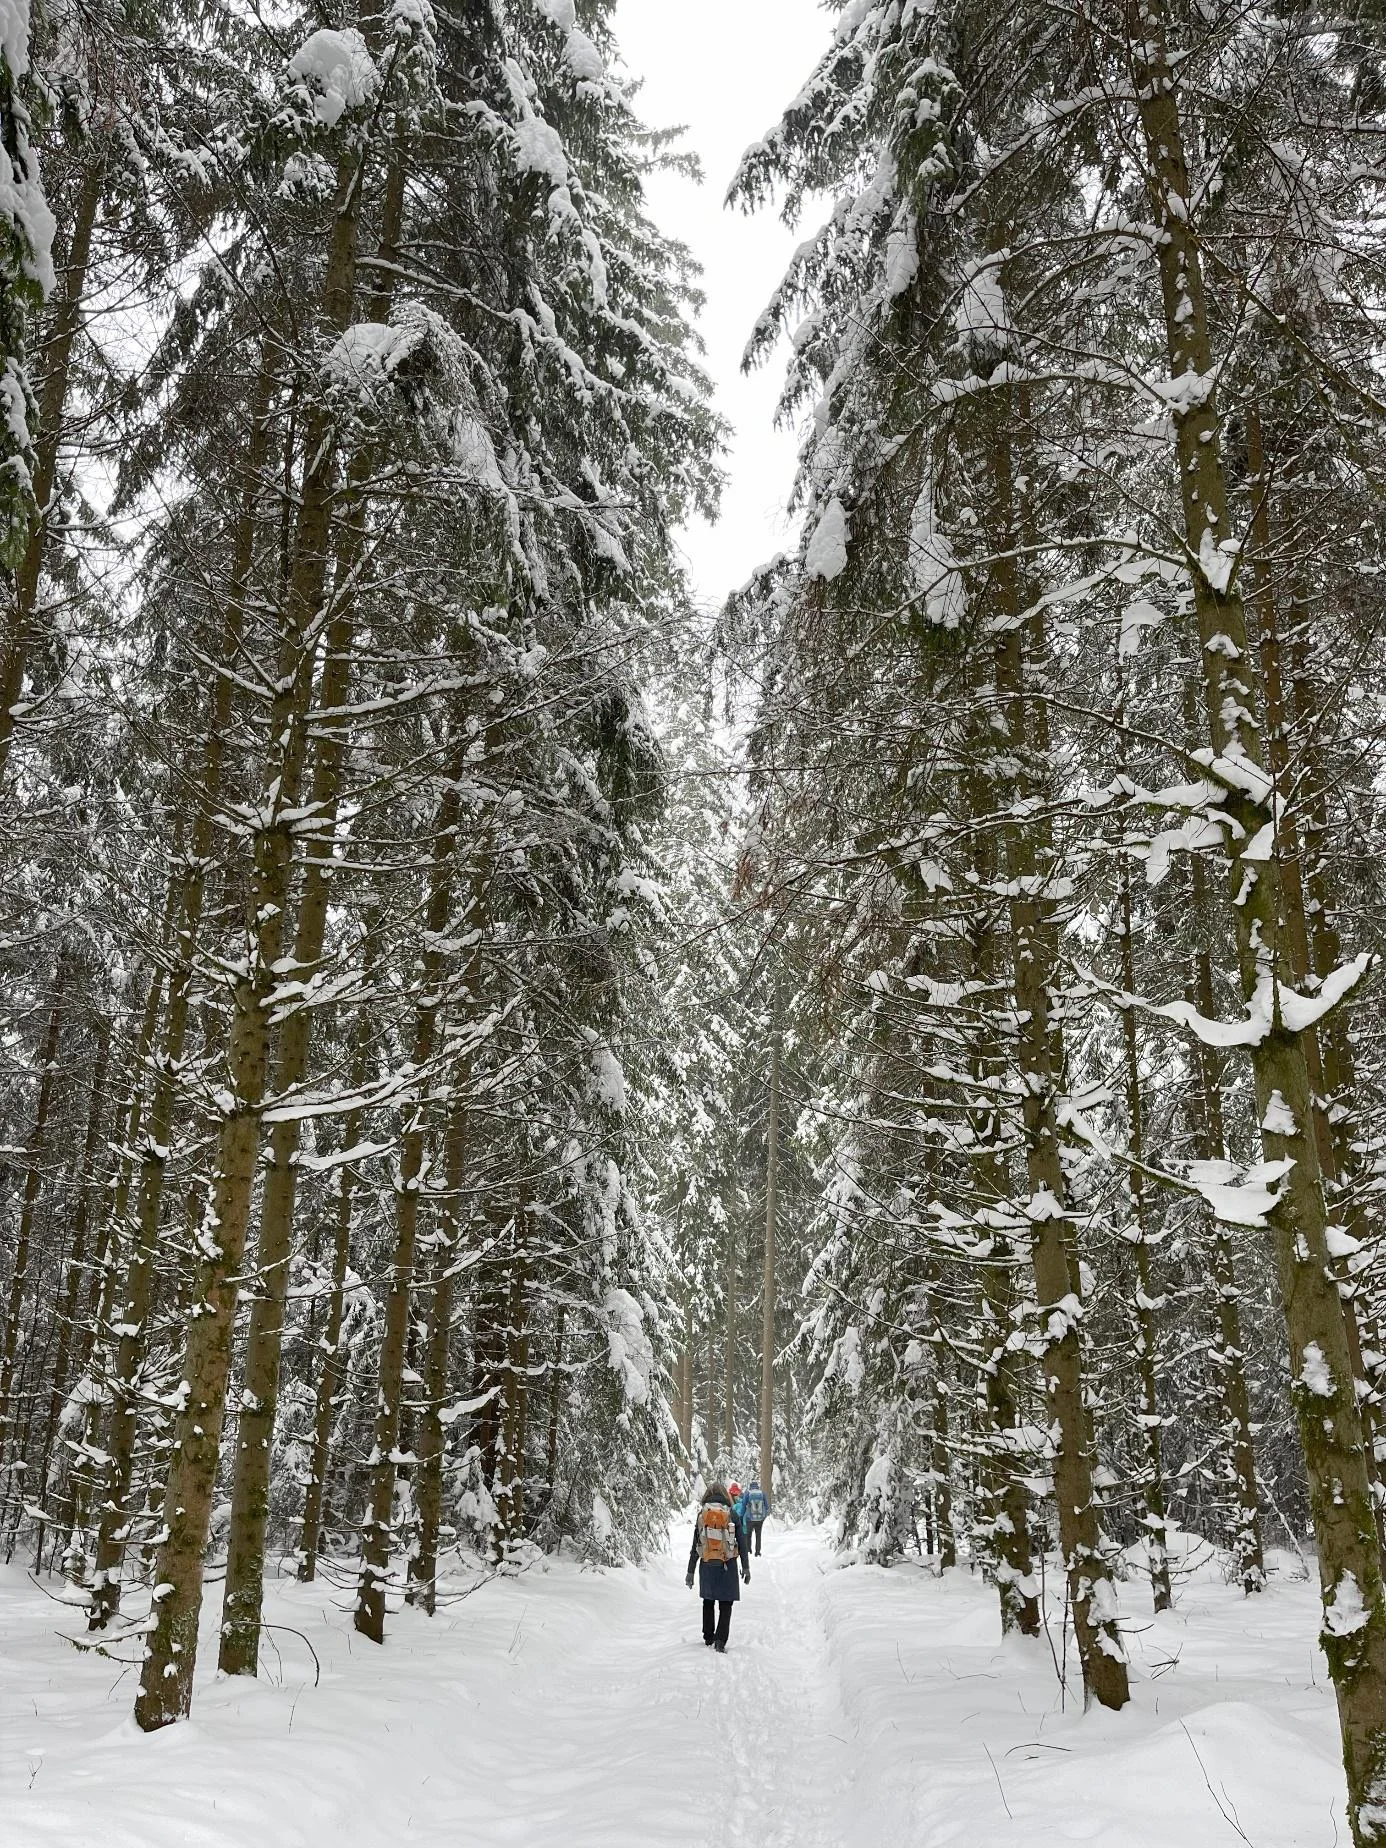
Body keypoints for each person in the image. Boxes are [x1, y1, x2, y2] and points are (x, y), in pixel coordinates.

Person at [685, 1480, 749, 1652]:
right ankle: (720, 1640)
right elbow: (742, 1542)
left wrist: (690, 1571)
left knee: (708, 1601)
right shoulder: (731, 1514)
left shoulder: (702, 1514)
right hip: (727, 1564)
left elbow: (695, 1545)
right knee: (726, 1603)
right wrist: (746, 1567)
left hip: (707, 1564)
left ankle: (708, 1637)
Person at [742, 1478, 770, 1556]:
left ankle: (748, 1550)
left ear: (750, 1486)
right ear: (757, 1486)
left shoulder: (748, 1493)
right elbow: (767, 1507)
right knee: (758, 1536)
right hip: (760, 1519)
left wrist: (741, 1516)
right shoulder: (762, 1493)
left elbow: (743, 1506)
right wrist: (764, 1516)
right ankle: (757, 1552)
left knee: (748, 1535)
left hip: (749, 1518)